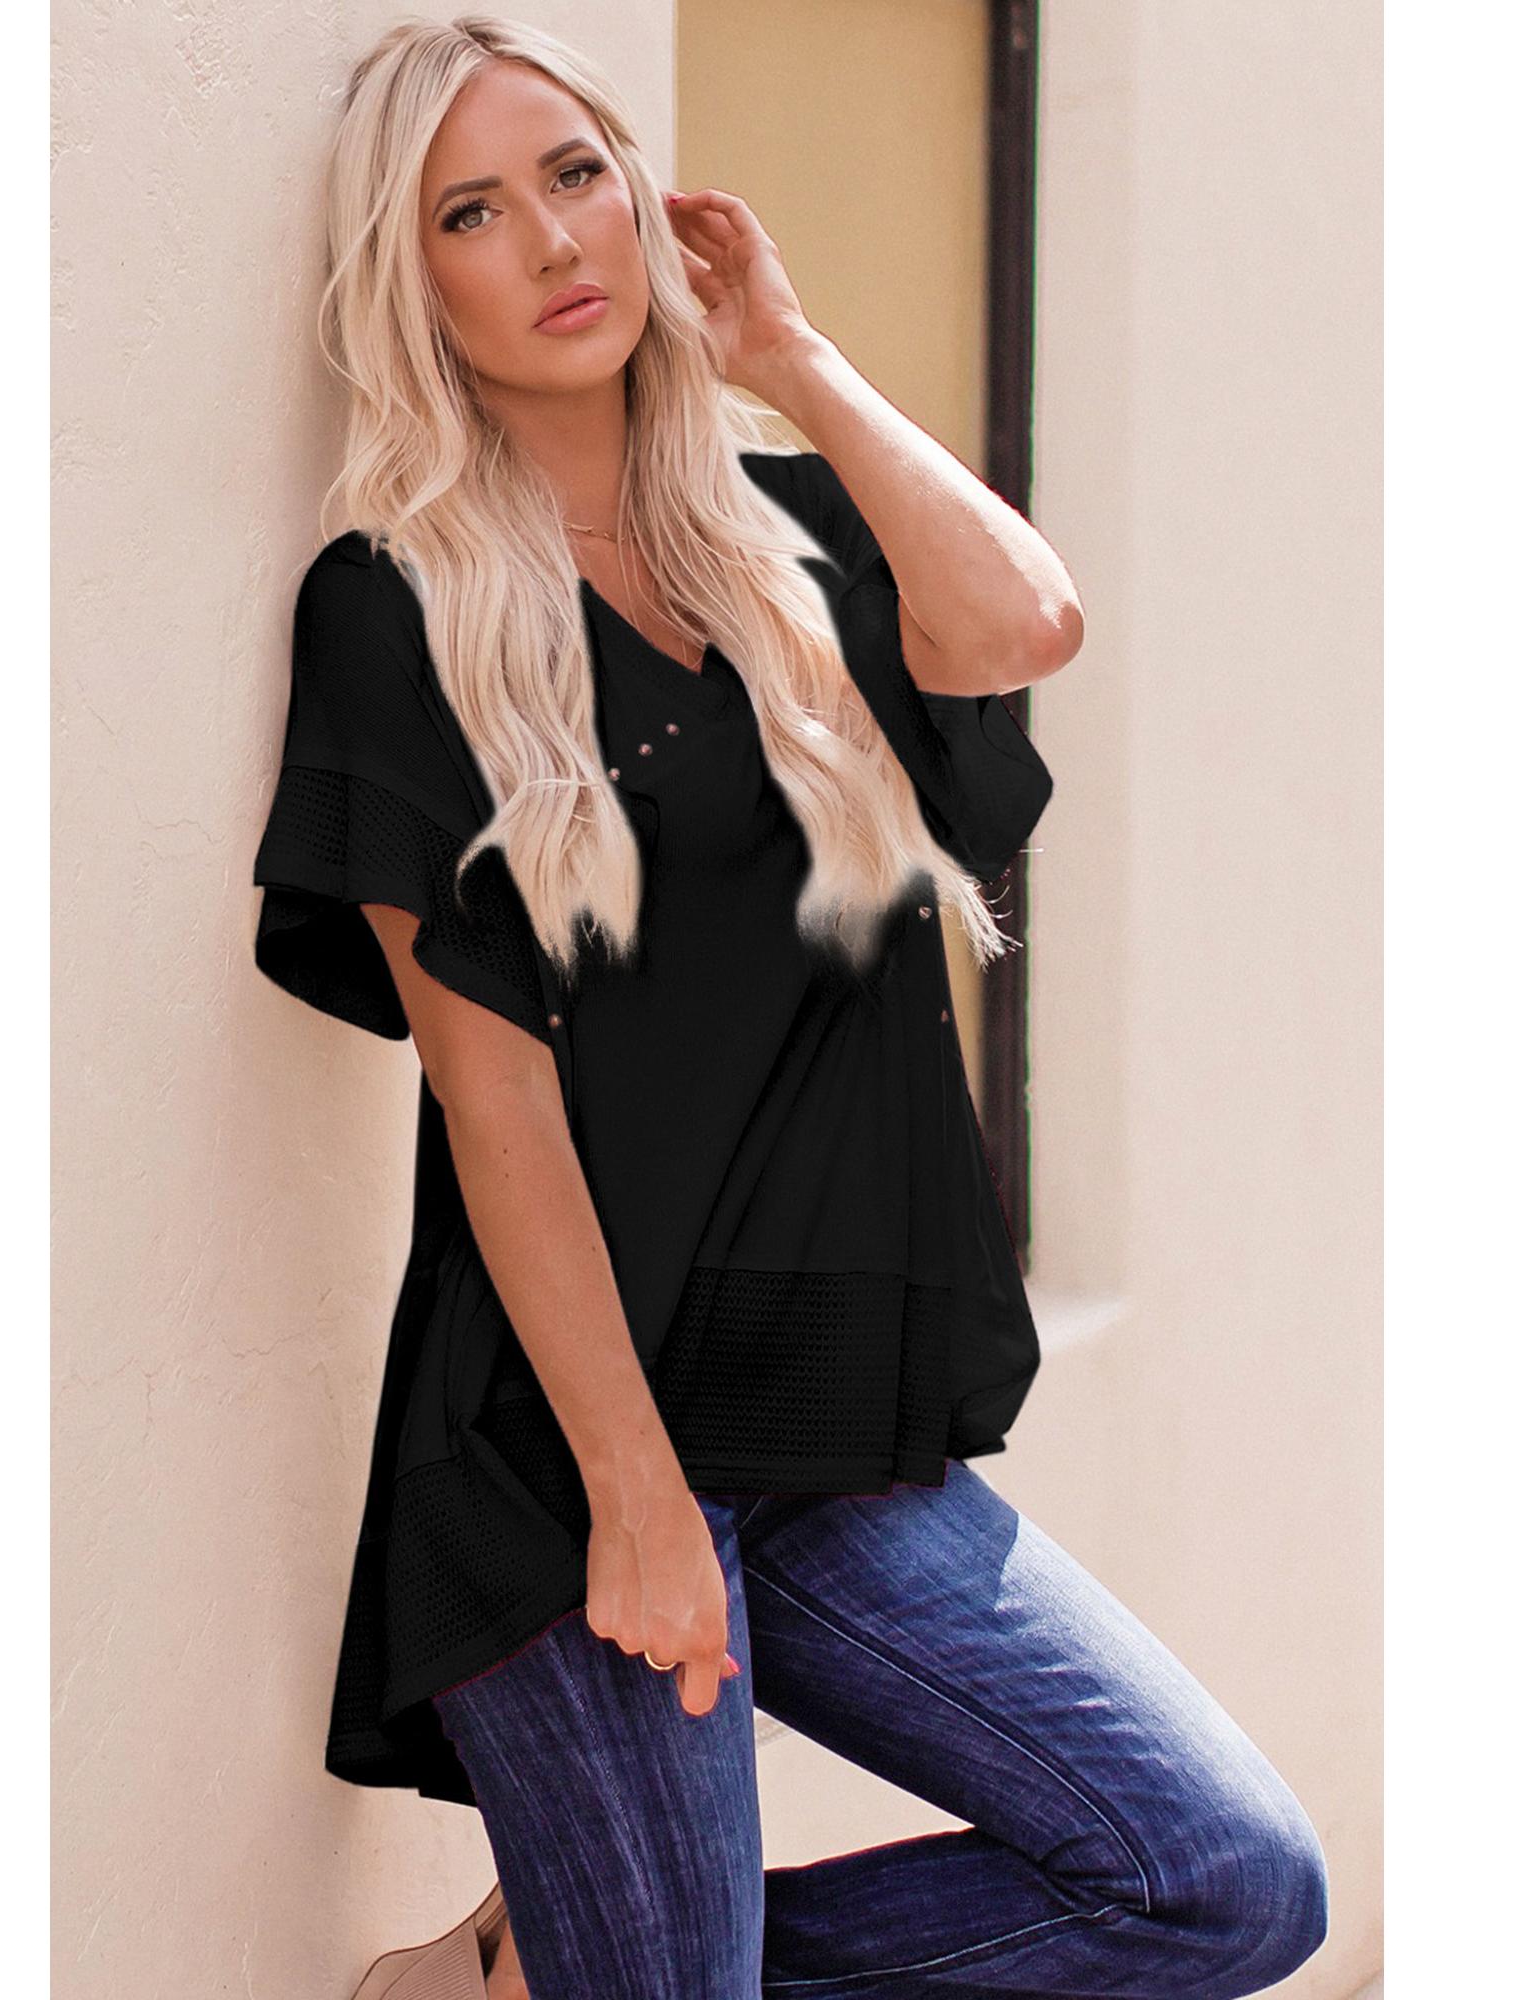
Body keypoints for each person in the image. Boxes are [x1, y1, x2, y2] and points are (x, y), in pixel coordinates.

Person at [250, 15, 1329, 2000]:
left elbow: (1027, 618)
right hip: (570, 1452)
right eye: (469, 215)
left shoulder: (800, 548)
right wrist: (635, 1499)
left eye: (575, 174)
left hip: (832, 1434)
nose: (548, 238)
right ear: (415, 289)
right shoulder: (396, 607)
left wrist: (793, 358)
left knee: (1225, 1881)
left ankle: (530, 1977)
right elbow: (495, 1102)